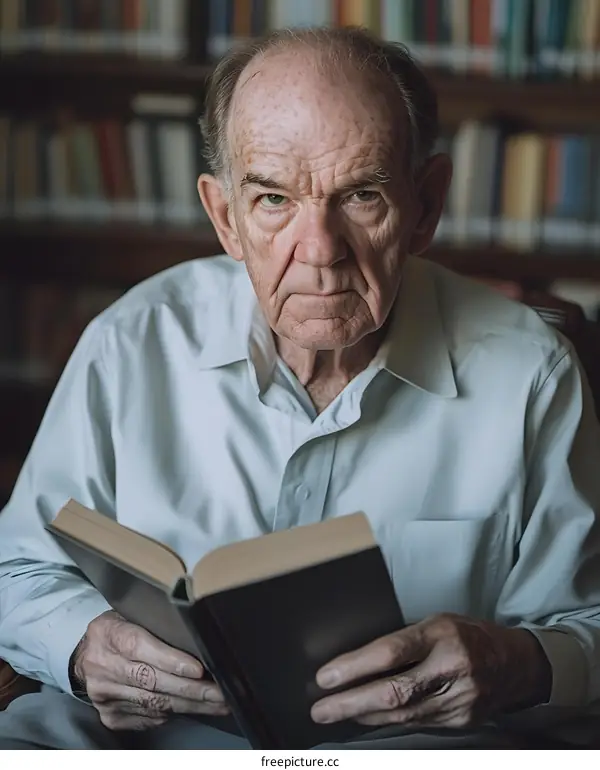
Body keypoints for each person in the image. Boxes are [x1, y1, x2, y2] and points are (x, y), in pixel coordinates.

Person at [1, 26, 599, 750]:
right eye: (275, 199)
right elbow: (17, 566)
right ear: (225, 217)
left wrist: (521, 664)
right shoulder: (133, 342)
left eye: (362, 194)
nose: (319, 251)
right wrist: (82, 643)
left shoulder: (532, 372)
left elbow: (587, 623)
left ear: (426, 205)